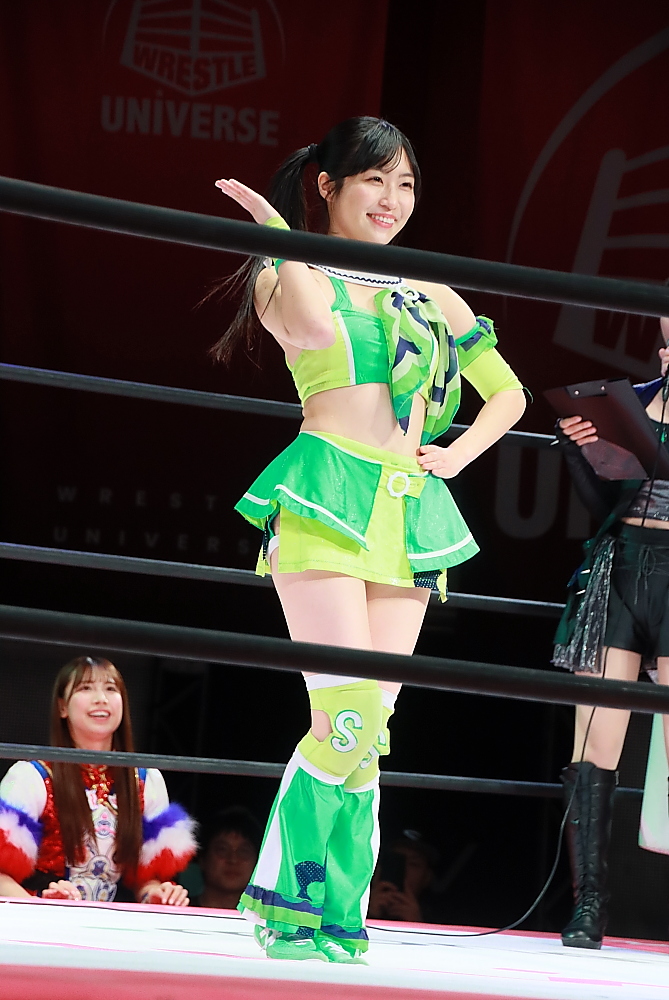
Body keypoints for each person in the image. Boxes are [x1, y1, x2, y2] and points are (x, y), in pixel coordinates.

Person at [214, 116, 526, 962]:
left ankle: (336, 915)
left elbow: (507, 392)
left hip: (407, 510)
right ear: (328, 186)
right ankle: (287, 904)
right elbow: (315, 330)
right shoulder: (285, 272)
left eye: (405, 184)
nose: (392, 200)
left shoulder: (430, 288)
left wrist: (456, 453)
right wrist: (278, 237)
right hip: (324, 495)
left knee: (372, 727)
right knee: (345, 715)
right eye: (374, 181)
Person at [554, 320, 669, 949]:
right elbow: (603, 510)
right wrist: (579, 450)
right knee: (595, 739)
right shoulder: (628, 405)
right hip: (620, 566)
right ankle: (589, 904)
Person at [0, 656, 197, 904]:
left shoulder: (147, 781)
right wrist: (43, 905)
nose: (101, 698)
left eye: (110, 689)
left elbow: (147, 879)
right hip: (39, 920)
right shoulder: (30, 777)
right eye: (85, 688)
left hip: (110, 923)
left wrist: (155, 894)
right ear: (62, 707)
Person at [192, 806, 261, 909]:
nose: (233, 860)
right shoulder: (179, 912)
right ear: (202, 859)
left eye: (244, 851)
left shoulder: (265, 918)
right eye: (222, 850)